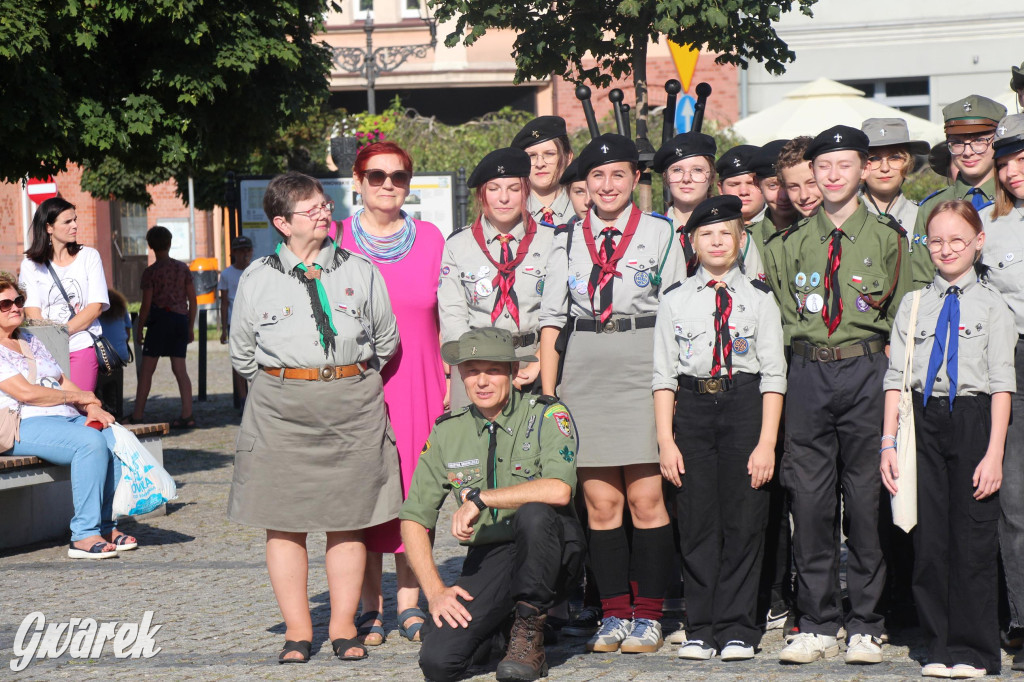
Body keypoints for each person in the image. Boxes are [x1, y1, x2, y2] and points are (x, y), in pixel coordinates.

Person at [228, 171, 401, 664]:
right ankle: (299, 632)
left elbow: (386, 343)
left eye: (325, 205)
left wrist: (342, 378)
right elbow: (243, 356)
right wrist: (290, 383)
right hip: (280, 410)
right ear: (282, 223)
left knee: (348, 522)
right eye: (311, 209)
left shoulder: (361, 271)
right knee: (284, 524)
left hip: (352, 405)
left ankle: (344, 625)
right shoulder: (257, 278)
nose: (324, 214)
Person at [539, 133, 684, 654]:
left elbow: (675, 310)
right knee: (601, 503)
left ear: (636, 180)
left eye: (618, 174)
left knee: (647, 497)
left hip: (644, 364)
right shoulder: (563, 237)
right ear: (584, 184)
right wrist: (550, 397)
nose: (606, 185)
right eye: (596, 177)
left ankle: (649, 615)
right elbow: (552, 321)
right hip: (586, 372)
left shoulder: (661, 233)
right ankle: (613, 612)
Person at [774, 125, 912, 665]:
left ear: (861, 171)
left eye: (844, 166)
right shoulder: (791, 244)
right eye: (823, 168)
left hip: (867, 372)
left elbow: (903, 314)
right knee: (808, 502)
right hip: (808, 374)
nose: (832, 177)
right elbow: (785, 316)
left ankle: (866, 622)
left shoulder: (889, 238)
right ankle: (817, 619)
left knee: (866, 499)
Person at [400, 327, 584, 682]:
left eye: (493, 370)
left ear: (514, 372)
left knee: (533, 512)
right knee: (439, 663)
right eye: (472, 371)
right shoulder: (447, 432)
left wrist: (481, 499)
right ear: (460, 376)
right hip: (493, 554)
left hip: (552, 546)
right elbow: (412, 517)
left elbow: (560, 490)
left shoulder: (545, 415)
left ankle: (529, 635)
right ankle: (503, 628)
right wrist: (435, 592)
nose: (482, 381)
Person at [882, 200, 1014, 678]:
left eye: (958, 239)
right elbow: (896, 378)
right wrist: (887, 444)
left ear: (978, 243)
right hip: (923, 419)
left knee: (973, 538)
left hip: (975, 419)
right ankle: (937, 646)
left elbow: (1002, 383)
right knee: (930, 539)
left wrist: (995, 451)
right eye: (937, 240)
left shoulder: (991, 304)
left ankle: (975, 651)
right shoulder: (915, 303)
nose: (947, 249)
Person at [653, 195, 786, 661]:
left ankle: (737, 627)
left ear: (741, 239)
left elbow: (774, 374)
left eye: (725, 233)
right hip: (692, 407)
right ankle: (701, 625)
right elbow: (663, 376)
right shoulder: (673, 301)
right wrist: (666, 440)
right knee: (696, 521)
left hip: (745, 406)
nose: (716, 241)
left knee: (745, 518)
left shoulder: (760, 298)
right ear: (692, 242)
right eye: (706, 234)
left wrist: (767, 442)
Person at [336, 141, 446, 646]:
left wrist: (452, 377)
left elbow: (449, 312)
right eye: (376, 175)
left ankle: (408, 600)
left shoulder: (430, 239)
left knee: (412, 491)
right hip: (357, 386)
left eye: (398, 177)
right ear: (357, 180)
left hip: (421, 380)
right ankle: (368, 605)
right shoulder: (334, 240)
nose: (387, 185)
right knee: (363, 490)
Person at [0, 272, 134, 559]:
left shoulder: (29, 340)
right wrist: (79, 398)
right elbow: (27, 394)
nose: (15, 307)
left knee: (111, 435)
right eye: (5, 304)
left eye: (18, 301)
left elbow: (61, 380)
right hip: (23, 423)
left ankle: (107, 526)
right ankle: (84, 535)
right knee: (89, 442)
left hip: (62, 417)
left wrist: (92, 406)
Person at [439, 148, 554, 409]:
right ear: (482, 194)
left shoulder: (552, 241)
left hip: (531, 365)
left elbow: (558, 312)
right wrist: (478, 369)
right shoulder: (458, 245)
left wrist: (541, 360)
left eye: (513, 188)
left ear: (526, 190)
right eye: (494, 189)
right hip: (474, 367)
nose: (504, 198)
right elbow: (452, 315)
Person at [979, 113, 1024, 672]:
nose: (1014, 172)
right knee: (1014, 501)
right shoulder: (990, 224)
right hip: (1012, 362)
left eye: (1023, 160)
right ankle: (1021, 617)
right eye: (1006, 162)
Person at [912, 95, 1007, 286]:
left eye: (979, 140)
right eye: (957, 142)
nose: (968, 151)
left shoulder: (1014, 198)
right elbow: (921, 281)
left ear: (997, 141)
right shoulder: (932, 206)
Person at [19, 197, 110, 393]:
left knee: (79, 404)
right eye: (67, 221)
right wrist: (52, 341)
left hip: (81, 345)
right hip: (45, 350)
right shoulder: (31, 265)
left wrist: (61, 334)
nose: (75, 225)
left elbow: (95, 308)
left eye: (75, 220)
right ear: (49, 227)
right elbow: (32, 312)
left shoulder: (89, 257)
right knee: (53, 408)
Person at [126, 226, 197, 429]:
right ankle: (187, 414)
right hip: (179, 321)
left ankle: (138, 414)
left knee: (147, 370)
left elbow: (146, 305)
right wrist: (190, 326)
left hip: (159, 322)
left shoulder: (151, 273)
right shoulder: (183, 269)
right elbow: (192, 299)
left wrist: (139, 329)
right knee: (180, 369)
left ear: (150, 246)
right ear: (170, 242)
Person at [652, 131, 717, 278]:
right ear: (666, 178)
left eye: (697, 170)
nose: (686, 178)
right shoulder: (651, 232)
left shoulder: (730, 232)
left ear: (712, 177)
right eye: (677, 170)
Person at [860, 118, 927, 233]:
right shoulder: (842, 215)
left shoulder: (924, 218)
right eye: (874, 159)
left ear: (908, 163)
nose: (885, 168)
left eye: (895, 158)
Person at [511, 116, 576, 227]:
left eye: (549, 154)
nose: (540, 164)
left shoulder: (584, 210)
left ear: (568, 158)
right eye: (532, 156)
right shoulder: (510, 214)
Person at [218, 235, 253, 406]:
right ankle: (242, 397)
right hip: (235, 322)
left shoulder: (255, 270)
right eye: (240, 251)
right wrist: (224, 328)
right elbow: (224, 303)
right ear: (234, 253)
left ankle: (254, 396)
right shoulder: (226, 274)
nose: (244, 254)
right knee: (238, 361)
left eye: (247, 250)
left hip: (254, 322)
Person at [748, 139, 796, 257]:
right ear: (757, 184)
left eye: (789, 184)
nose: (783, 196)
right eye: (773, 185)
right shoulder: (748, 241)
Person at [95, 289, 132, 418]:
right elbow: (127, 335)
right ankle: (116, 409)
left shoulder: (94, 309)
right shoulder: (122, 308)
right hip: (119, 356)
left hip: (101, 357)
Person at [716, 144, 767, 225]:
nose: (743, 192)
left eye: (752, 183)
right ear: (720, 189)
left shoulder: (785, 225)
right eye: (734, 185)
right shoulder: (708, 229)